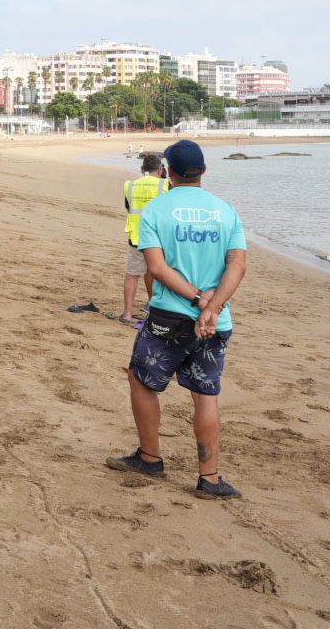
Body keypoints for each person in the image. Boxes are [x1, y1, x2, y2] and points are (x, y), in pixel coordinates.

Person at [108, 140, 248, 498]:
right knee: (205, 395)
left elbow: (156, 267)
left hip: (170, 315)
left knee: (141, 379)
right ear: (203, 171)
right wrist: (213, 307)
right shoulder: (225, 210)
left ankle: (150, 458)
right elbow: (238, 264)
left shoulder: (157, 209)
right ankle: (210, 478)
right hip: (216, 320)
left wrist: (200, 300)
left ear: (168, 172)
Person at [120, 154, 170, 325]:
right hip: (157, 238)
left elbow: (129, 207)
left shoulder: (130, 185)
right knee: (153, 272)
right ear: (160, 169)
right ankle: (153, 309)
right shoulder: (166, 185)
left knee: (132, 274)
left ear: (142, 169)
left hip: (136, 236)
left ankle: (127, 314)